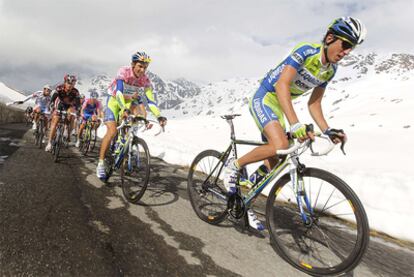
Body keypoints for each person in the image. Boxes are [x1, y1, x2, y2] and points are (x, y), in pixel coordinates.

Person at [222, 17, 367, 231]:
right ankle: (233, 167)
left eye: (351, 48)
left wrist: (327, 131)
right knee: (280, 144)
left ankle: (245, 196)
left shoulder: (330, 70)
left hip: (280, 106)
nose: (347, 52)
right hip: (266, 97)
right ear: (329, 38)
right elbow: (282, 85)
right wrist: (295, 123)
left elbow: (314, 103)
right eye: (345, 44)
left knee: (279, 156)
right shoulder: (306, 51)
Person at [96, 51, 167, 180]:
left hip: (128, 103)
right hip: (114, 102)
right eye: (140, 66)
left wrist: (158, 116)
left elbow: (150, 101)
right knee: (112, 131)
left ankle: (126, 149)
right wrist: (123, 108)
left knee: (131, 126)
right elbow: (118, 92)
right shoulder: (124, 71)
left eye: (145, 67)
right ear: (133, 64)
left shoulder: (145, 80)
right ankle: (101, 163)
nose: (142, 69)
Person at [45, 74, 80, 152]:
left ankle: (68, 133)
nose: (70, 85)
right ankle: (49, 143)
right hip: (60, 104)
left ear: (74, 84)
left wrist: (78, 110)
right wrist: (51, 104)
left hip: (69, 106)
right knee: (55, 120)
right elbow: (54, 98)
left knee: (72, 116)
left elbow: (78, 104)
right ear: (65, 82)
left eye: (72, 83)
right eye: (68, 83)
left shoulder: (75, 92)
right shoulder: (59, 88)